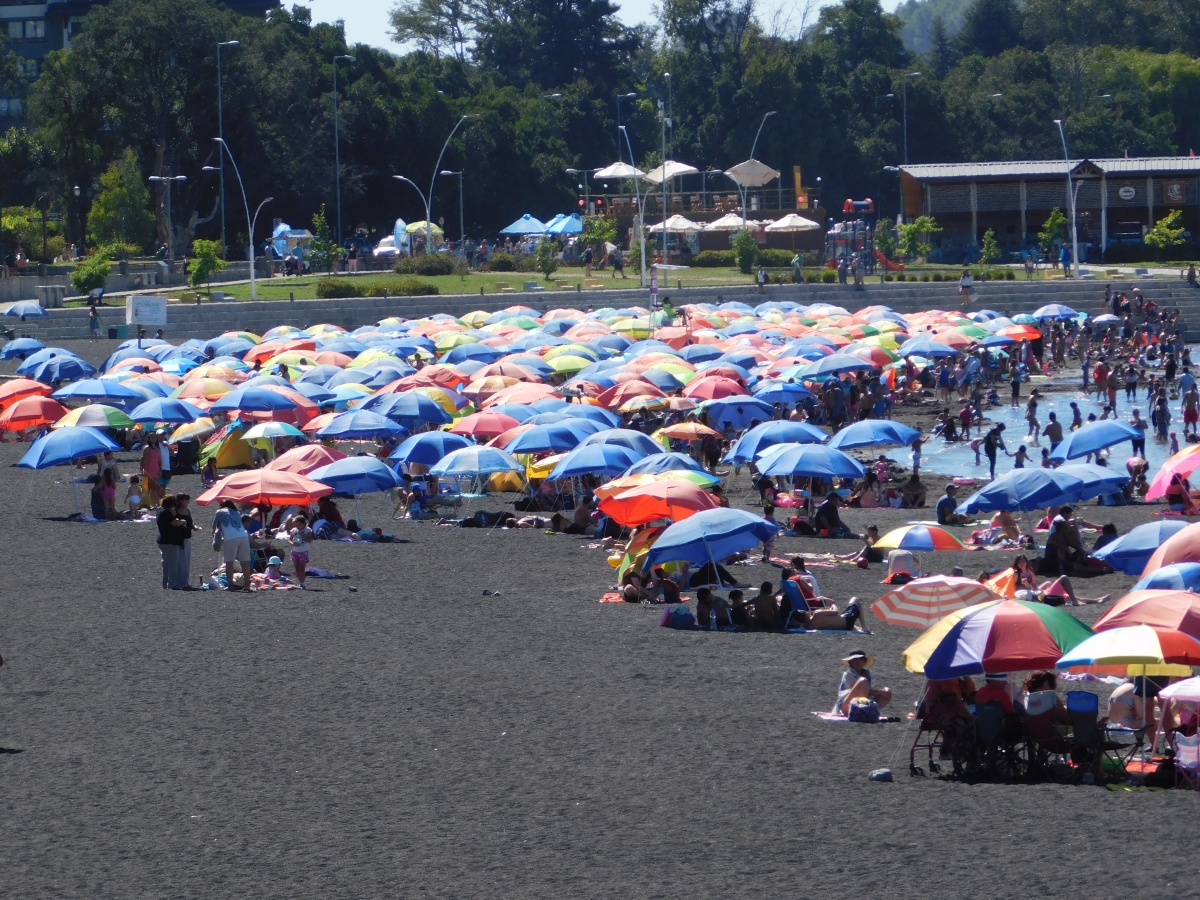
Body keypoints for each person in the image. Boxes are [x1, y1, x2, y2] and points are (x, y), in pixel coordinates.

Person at [1010, 554, 1108, 606]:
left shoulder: (1029, 571)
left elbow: (1034, 585)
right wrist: (1027, 585)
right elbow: (1021, 592)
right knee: (1064, 579)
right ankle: (1080, 602)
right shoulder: (1017, 574)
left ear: (1026, 562)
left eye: (1023, 561)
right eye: (1020, 562)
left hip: (1037, 594)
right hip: (1035, 596)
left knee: (1064, 595)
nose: (1022, 563)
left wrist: (1036, 589)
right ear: (1017, 564)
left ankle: (1095, 601)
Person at [834, 650, 892, 717]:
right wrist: (880, 692)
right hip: (846, 705)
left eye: (861, 659)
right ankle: (864, 710)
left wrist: (882, 693)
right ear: (851, 662)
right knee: (862, 681)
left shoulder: (868, 674)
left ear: (864, 662)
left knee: (887, 691)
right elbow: (862, 690)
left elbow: (866, 691)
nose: (858, 661)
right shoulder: (848, 675)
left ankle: (870, 712)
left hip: (861, 701)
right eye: (855, 659)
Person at [213, 499, 253, 592]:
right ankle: (247, 586)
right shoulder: (237, 512)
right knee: (244, 563)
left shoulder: (219, 512)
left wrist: (216, 538)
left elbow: (214, 526)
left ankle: (231, 586)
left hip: (230, 538)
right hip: (243, 536)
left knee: (229, 563)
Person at [156, 494, 187, 590]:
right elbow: (175, 522)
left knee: (165, 564)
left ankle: (165, 584)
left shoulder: (160, 511)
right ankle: (172, 584)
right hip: (170, 541)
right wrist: (183, 521)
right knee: (173, 564)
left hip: (163, 540)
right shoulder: (166, 512)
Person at [176, 492, 197, 589]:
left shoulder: (187, 511)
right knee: (180, 561)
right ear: (181, 501)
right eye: (186, 500)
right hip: (180, 539)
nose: (188, 502)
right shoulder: (176, 511)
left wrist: (194, 527)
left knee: (187, 560)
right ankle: (180, 582)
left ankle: (185, 582)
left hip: (188, 537)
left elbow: (190, 522)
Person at [288, 514, 313, 589]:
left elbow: (309, 540)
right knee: (297, 568)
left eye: (299, 525)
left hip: (303, 551)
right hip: (295, 551)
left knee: (302, 568)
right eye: (296, 525)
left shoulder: (308, 530)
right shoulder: (293, 530)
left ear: (304, 524)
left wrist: (302, 535)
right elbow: (289, 539)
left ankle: (302, 583)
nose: (298, 527)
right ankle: (300, 582)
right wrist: (292, 543)